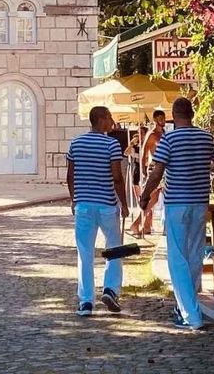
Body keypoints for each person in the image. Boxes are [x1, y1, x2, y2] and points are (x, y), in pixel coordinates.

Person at [139, 97, 214, 330]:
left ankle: (191, 315)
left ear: (173, 116)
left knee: (177, 258)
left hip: (177, 203)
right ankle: (187, 306)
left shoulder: (169, 139)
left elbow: (157, 173)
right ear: (192, 114)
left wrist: (145, 195)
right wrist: (201, 165)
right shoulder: (206, 138)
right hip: (199, 203)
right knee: (194, 255)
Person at [66, 106, 129, 318]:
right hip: (107, 205)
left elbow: (70, 175)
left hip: (84, 205)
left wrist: (75, 199)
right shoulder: (112, 144)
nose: (112, 121)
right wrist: (125, 203)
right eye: (110, 117)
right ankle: (111, 289)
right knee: (114, 248)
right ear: (101, 120)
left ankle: (85, 302)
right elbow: (117, 177)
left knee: (85, 253)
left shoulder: (76, 144)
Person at [129, 109, 167, 238]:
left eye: (164, 118)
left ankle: (140, 223)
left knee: (155, 199)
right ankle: (137, 223)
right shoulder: (151, 134)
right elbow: (144, 152)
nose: (163, 120)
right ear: (155, 120)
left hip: (165, 169)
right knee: (152, 198)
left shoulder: (165, 134)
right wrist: (144, 171)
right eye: (160, 118)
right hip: (154, 168)